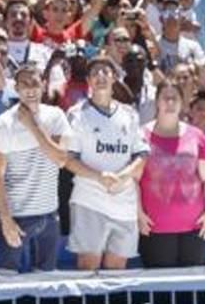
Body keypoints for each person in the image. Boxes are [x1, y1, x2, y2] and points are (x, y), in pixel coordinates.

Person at [58, 58, 148, 271]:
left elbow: (142, 156)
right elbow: (68, 160)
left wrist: (123, 176)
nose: (100, 77)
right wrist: (100, 177)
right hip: (89, 201)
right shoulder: (76, 114)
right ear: (88, 80)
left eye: (105, 72)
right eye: (95, 73)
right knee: (88, 267)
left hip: (124, 203)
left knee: (117, 268)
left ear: (114, 78)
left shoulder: (129, 113)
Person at [0, 61, 71, 272]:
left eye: (34, 83)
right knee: (7, 277)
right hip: (17, 216)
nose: (30, 89)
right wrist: (6, 220)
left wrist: (33, 126)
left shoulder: (56, 116)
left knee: (46, 280)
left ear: (43, 85)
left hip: (50, 215)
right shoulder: (3, 123)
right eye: (24, 84)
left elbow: (61, 159)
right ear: (16, 89)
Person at [136, 80, 205, 268]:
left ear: (182, 103)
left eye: (175, 99)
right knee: (162, 292)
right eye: (166, 98)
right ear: (157, 102)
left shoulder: (196, 135)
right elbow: (133, 180)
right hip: (154, 228)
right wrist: (138, 213)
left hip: (194, 228)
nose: (170, 103)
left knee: (191, 293)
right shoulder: (141, 136)